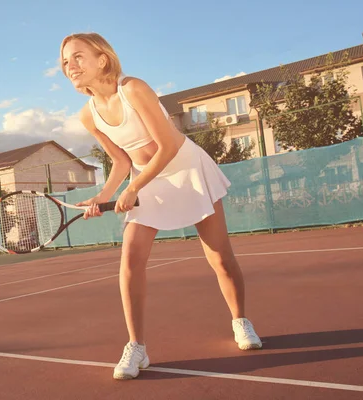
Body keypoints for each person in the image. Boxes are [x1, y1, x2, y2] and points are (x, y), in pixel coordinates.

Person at [60, 32, 263, 380]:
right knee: (130, 262)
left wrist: (133, 188)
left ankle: (240, 321)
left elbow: (167, 144)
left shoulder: (133, 88)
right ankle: (137, 347)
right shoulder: (88, 115)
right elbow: (120, 162)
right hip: (146, 180)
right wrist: (103, 196)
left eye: (78, 57)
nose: (70, 66)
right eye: (65, 62)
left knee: (220, 258)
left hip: (185, 168)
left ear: (102, 59)